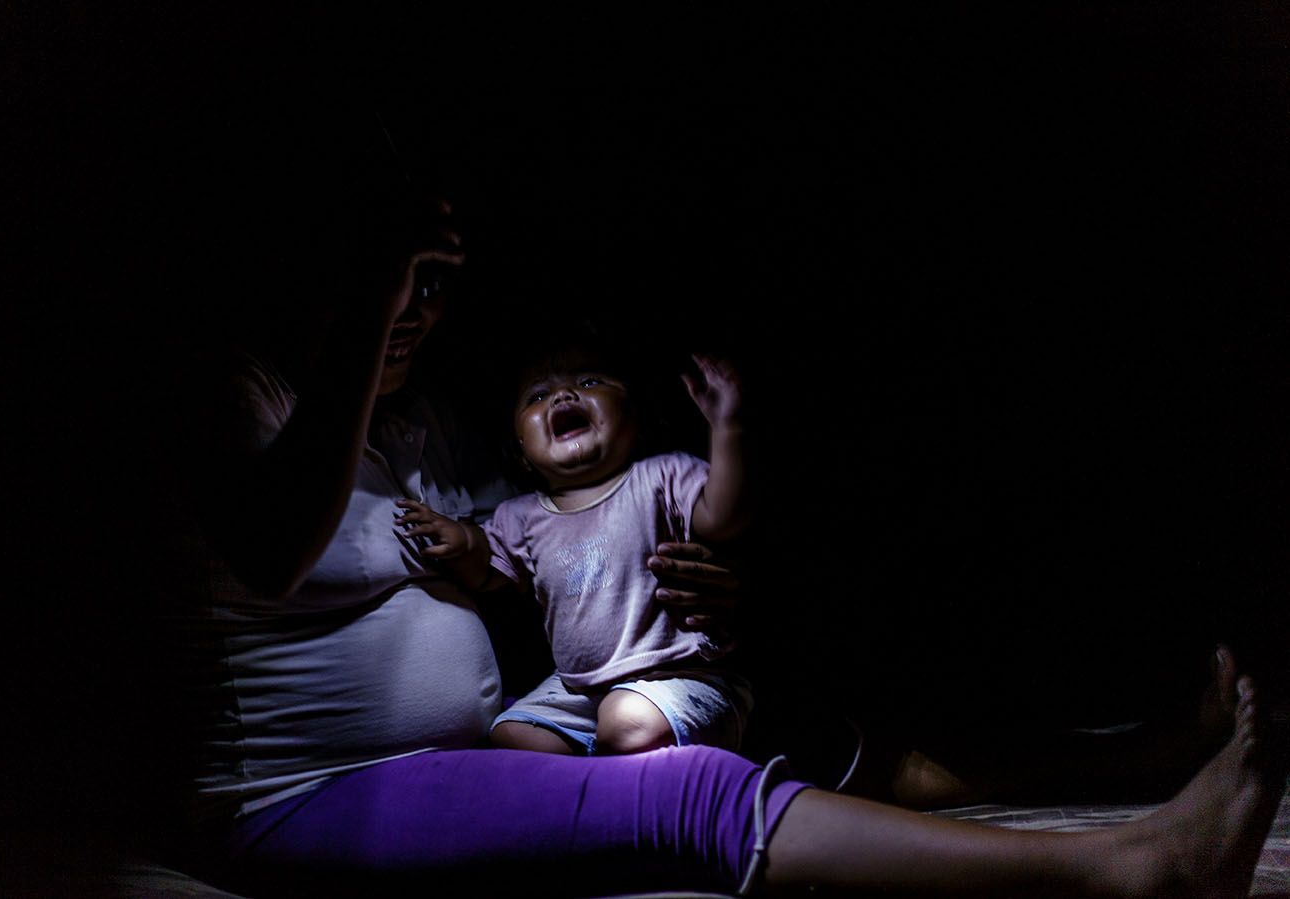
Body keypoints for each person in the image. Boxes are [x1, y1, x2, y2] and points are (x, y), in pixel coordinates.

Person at [152, 172, 1285, 899]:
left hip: (489, 736)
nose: (414, 307)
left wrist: (703, 581)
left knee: (796, 726)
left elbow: (559, 537)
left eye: (435, 285)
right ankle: (1131, 868)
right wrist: (369, 307)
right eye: (395, 276)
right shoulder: (237, 391)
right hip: (301, 793)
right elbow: (270, 545)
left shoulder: (425, 419)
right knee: (680, 786)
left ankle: (1133, 759)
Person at [394, 347, 753, 756]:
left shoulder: (663, 476)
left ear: (634, 417)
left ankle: (667, 736)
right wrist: (461, 541)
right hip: (580, 688)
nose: (563, 395)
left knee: (626, 721)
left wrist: (728, 428)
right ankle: (610, 757)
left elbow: (724, 518)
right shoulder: (521, 516)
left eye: (589, 382)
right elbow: (486, 569)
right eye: (538, 396)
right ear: (522, 453)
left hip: (681, 673)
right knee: (512, 734)